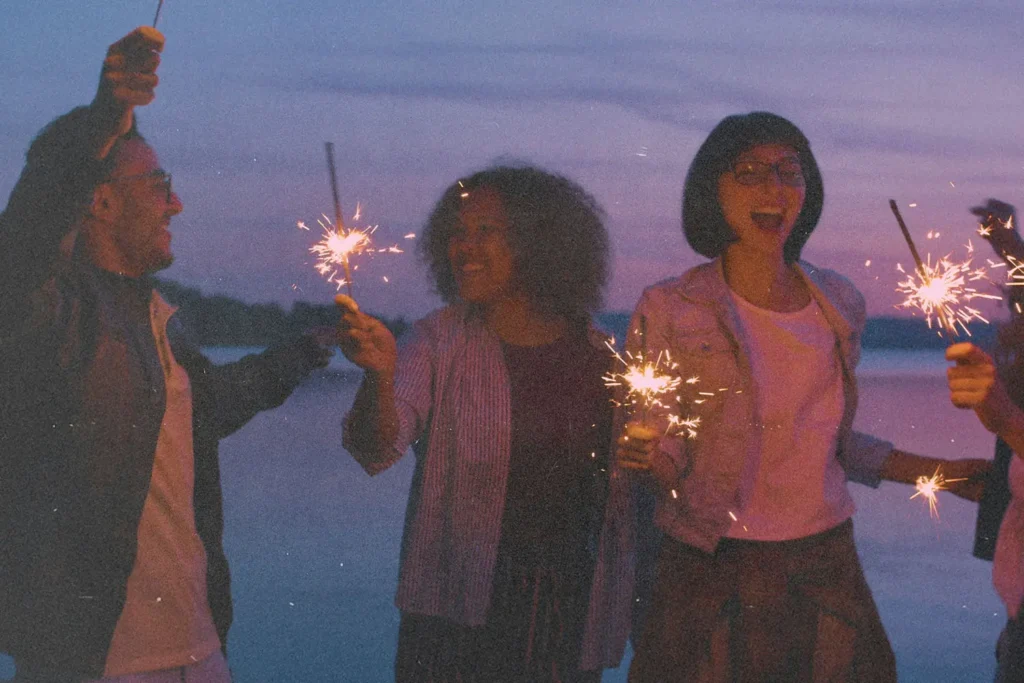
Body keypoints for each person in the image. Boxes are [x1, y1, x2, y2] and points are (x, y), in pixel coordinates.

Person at [0, 27, 332, 681]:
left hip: (200, 647)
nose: (176, 202)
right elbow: (23, 239)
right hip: (98, 660)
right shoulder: (45, 314)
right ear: (97, 200)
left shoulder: (160, 316)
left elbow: (206, 407)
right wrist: (103, 117)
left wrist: (308, 351)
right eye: (159, 185)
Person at [617, 111, 990, 682]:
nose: (774, 187)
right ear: (711, 188)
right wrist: (647, 459)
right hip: (711, 561)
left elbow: (828, 444)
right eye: (749, 171)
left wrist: (945, 471)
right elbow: (663, 442)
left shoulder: (837, 302)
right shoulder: (672, 307)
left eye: (790, 170)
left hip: (824, 561)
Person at [335, 166, 633, 682]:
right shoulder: (435, 342)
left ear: (539, 240)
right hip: (454, 618)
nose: (464, 247)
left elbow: (640, 485)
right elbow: (374, 448)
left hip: (567, 615)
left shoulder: (601, 353)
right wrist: (379, 378)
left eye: (486, 231)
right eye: (456, 232)